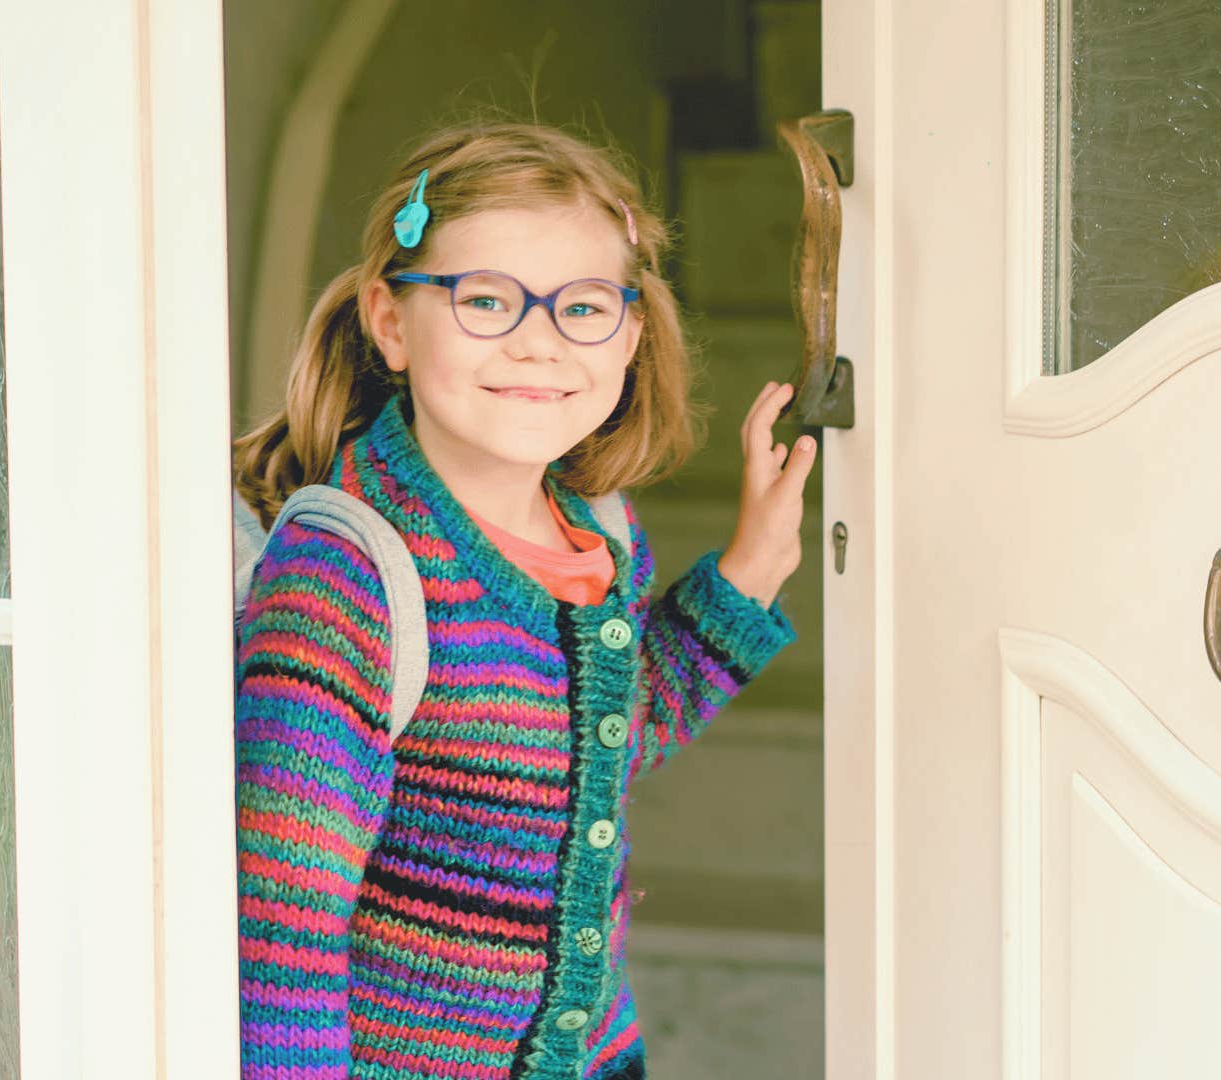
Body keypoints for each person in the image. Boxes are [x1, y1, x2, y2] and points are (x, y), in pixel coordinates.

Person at [230, 121, 813, 1080]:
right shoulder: (348, 574)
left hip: (594, 1057)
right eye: (486, 300)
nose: (538, 345)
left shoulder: (598, 527)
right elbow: (286, 920)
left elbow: (594, 741)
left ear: (630, 332)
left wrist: (743, 578)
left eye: (583, 307)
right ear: (390, 321)